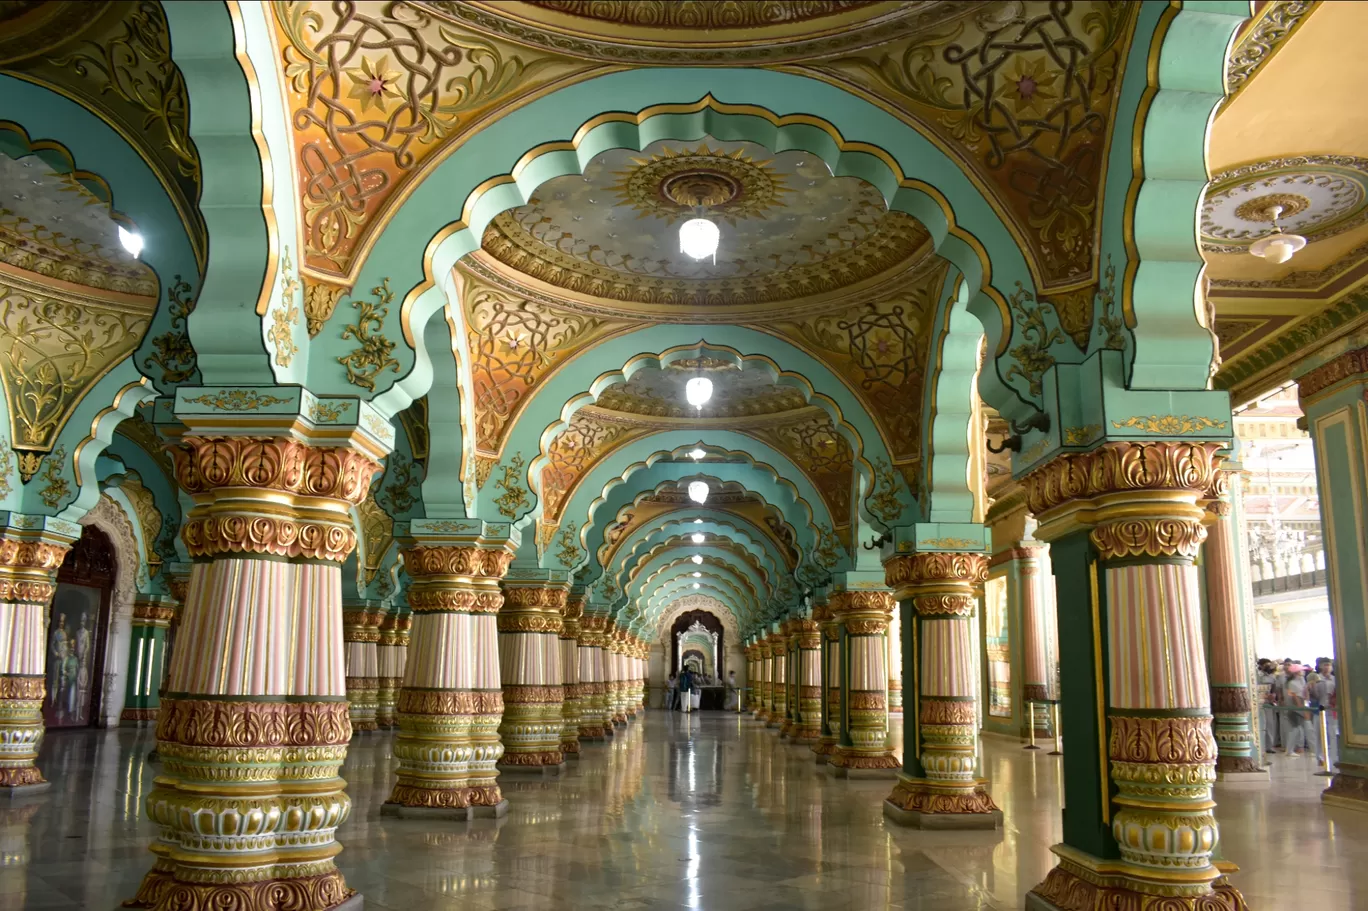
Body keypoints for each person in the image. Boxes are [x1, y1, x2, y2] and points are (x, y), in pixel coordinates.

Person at [1283, 662, 1309, 755]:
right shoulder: (1292, 683)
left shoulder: (1300, 681)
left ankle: (1291, 749)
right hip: (1294, 709)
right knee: (1295, 729)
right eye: (1301, 670)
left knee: (1297, 729)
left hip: (1299, 708)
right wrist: (1302, 709)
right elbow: (1295, 697)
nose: (1302, 672)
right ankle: (1289, 750)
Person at [1257, 658, 1280, 754]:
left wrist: (1273, 695)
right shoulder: (1257, 675)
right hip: (1259, 702)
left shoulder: (1272, 677)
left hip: (1268, 702)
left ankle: (1269, 746)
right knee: (1262, 725)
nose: (1268, 667)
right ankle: (1261, 746)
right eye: (1266, 665)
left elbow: (1274, 688)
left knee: (1270, 724)